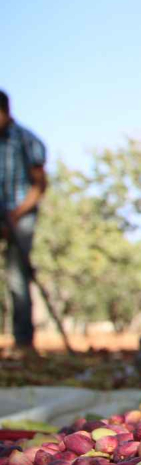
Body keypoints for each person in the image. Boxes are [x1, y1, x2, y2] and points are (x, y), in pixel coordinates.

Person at [0, 92, 47, 353]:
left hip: (21, 212)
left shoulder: (26, 140)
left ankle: (23, 342)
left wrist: (16, 215)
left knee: (17, 275)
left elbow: (40, 185)